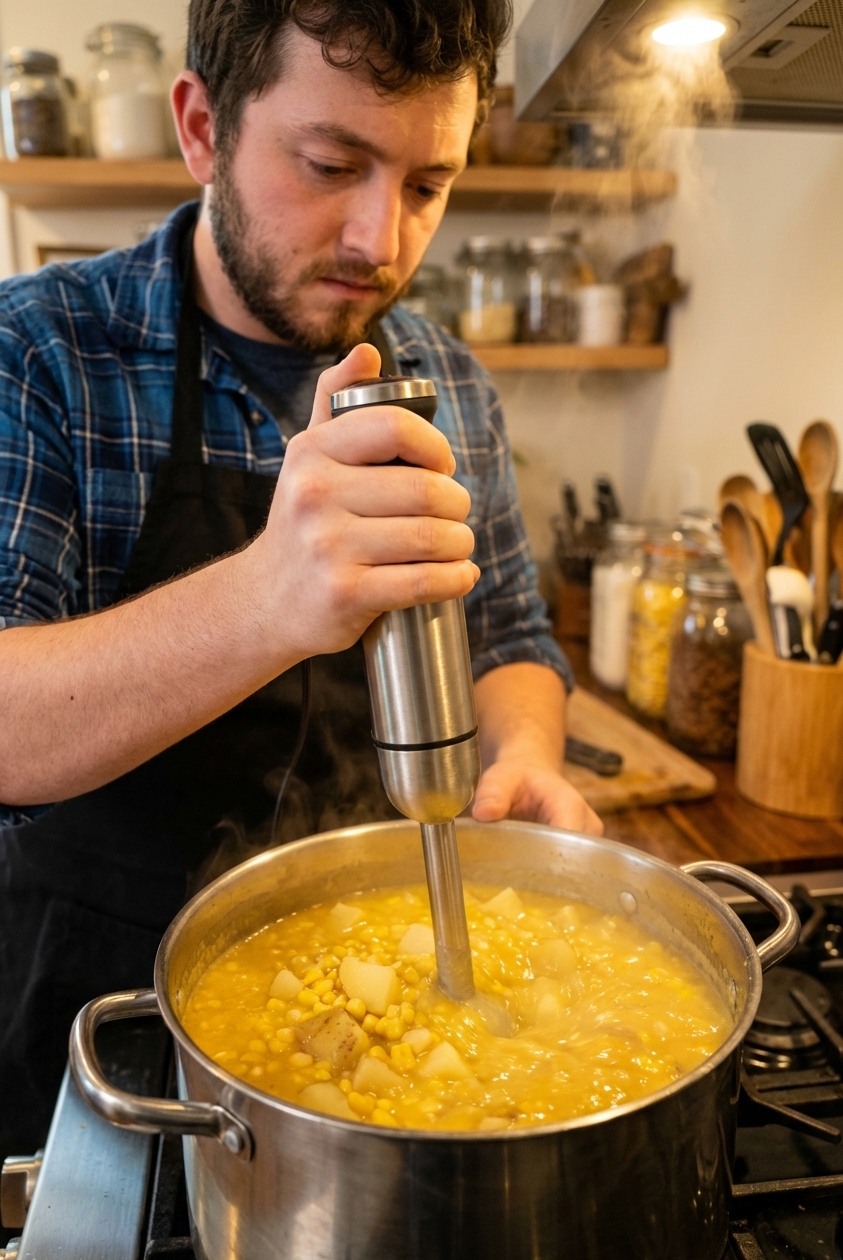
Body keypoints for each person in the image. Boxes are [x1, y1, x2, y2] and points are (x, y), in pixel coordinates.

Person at [0, 0, 601, 1157]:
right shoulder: (42, 353)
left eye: (429, 183)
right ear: (200, 127)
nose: (382, 238)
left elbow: (514, 635)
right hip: (90, 1042)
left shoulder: (448, 379)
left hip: (365, 1026)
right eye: (332, 163)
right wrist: (268, 597)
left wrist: (522, 753)